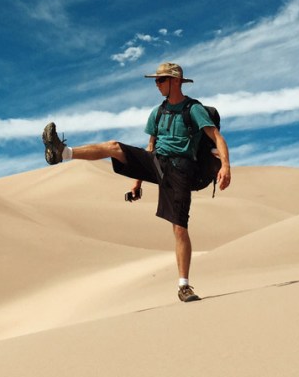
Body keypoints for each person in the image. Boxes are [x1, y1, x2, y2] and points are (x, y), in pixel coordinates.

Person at [42, 62, 231, 303]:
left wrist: (225, 165)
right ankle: (63, 153)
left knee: (179, 228)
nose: (156, 84)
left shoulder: (193, 109)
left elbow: (216, 136)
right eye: (156, 80)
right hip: (156, 161)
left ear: (174, 81)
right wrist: (138, 182)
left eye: (160, 80)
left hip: (180, 170)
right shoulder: (157, 112)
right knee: (114, 147)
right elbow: (150, 148)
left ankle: (184, 286)